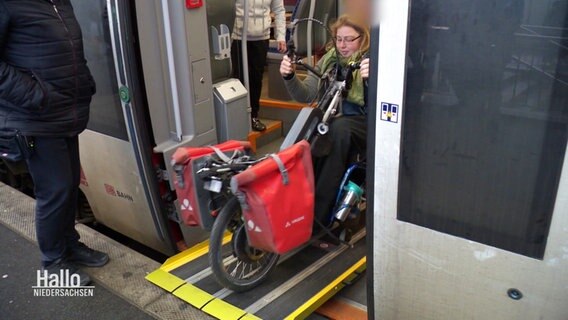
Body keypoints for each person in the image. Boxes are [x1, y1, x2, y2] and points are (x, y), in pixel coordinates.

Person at [0, 0, 108, 285]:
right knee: (55, 189)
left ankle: (69, 244)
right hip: (34, 117)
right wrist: (36, 95)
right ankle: (53, 260)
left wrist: (84, 82)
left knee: (70, 184)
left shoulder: (58, 2)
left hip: (64, 111)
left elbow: (71, 50)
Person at [280, 14, 370, 223]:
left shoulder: (371, 60)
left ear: (362, 38)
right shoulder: (331, 59)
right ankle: (294, 203)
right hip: (339, 119)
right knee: (309, 132)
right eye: (339, 39)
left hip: (367, 121)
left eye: (349, 39)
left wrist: (372, 79)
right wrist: (289, 76)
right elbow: (306, 95)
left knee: (337, 129)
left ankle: (318, 217)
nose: (343, 45)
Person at [232, 0, 287, 132]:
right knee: (238, 79)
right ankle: (238, 117)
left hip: (261, 37)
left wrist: (281, 36)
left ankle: (253, 116)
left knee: (256, 79)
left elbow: (279, 10)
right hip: (239, 37)